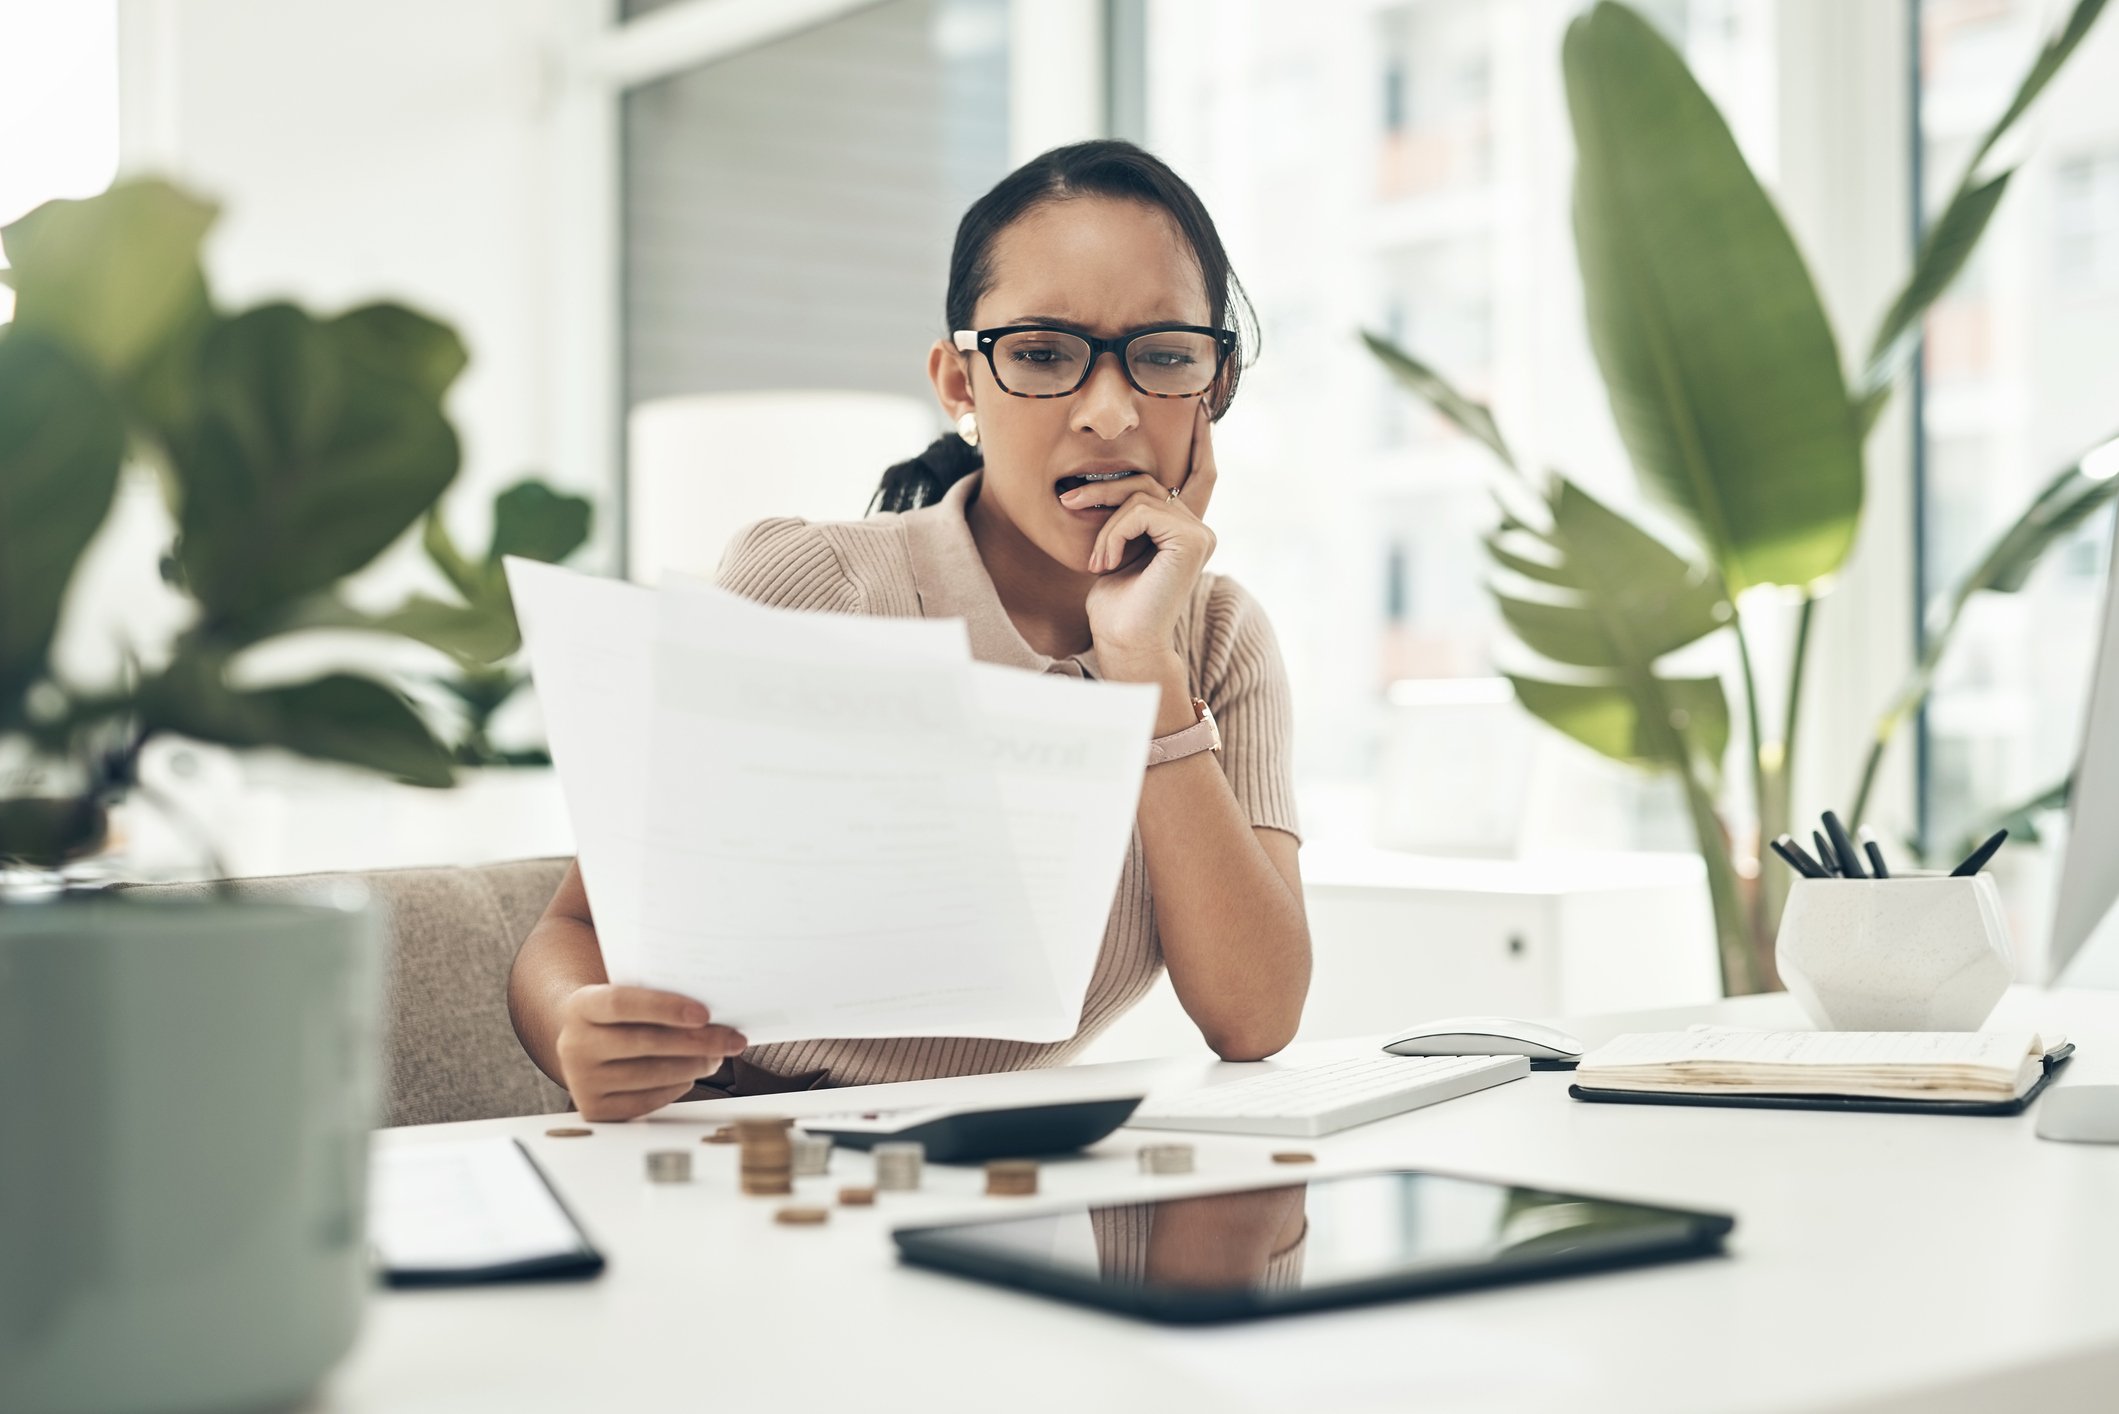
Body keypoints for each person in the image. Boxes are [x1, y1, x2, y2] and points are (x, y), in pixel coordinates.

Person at [508, 140, 1310, 1121]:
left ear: (1213, 390)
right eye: (1043, 354)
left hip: (1005, 1183)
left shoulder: (1217, 638)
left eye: (1165, 357)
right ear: (959, 382)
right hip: (737, 1150)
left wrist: (1143, 666)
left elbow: (1255, 1017)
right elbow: (575, 929)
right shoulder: (809, 584)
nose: (1109, 413)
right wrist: (577, 1029)